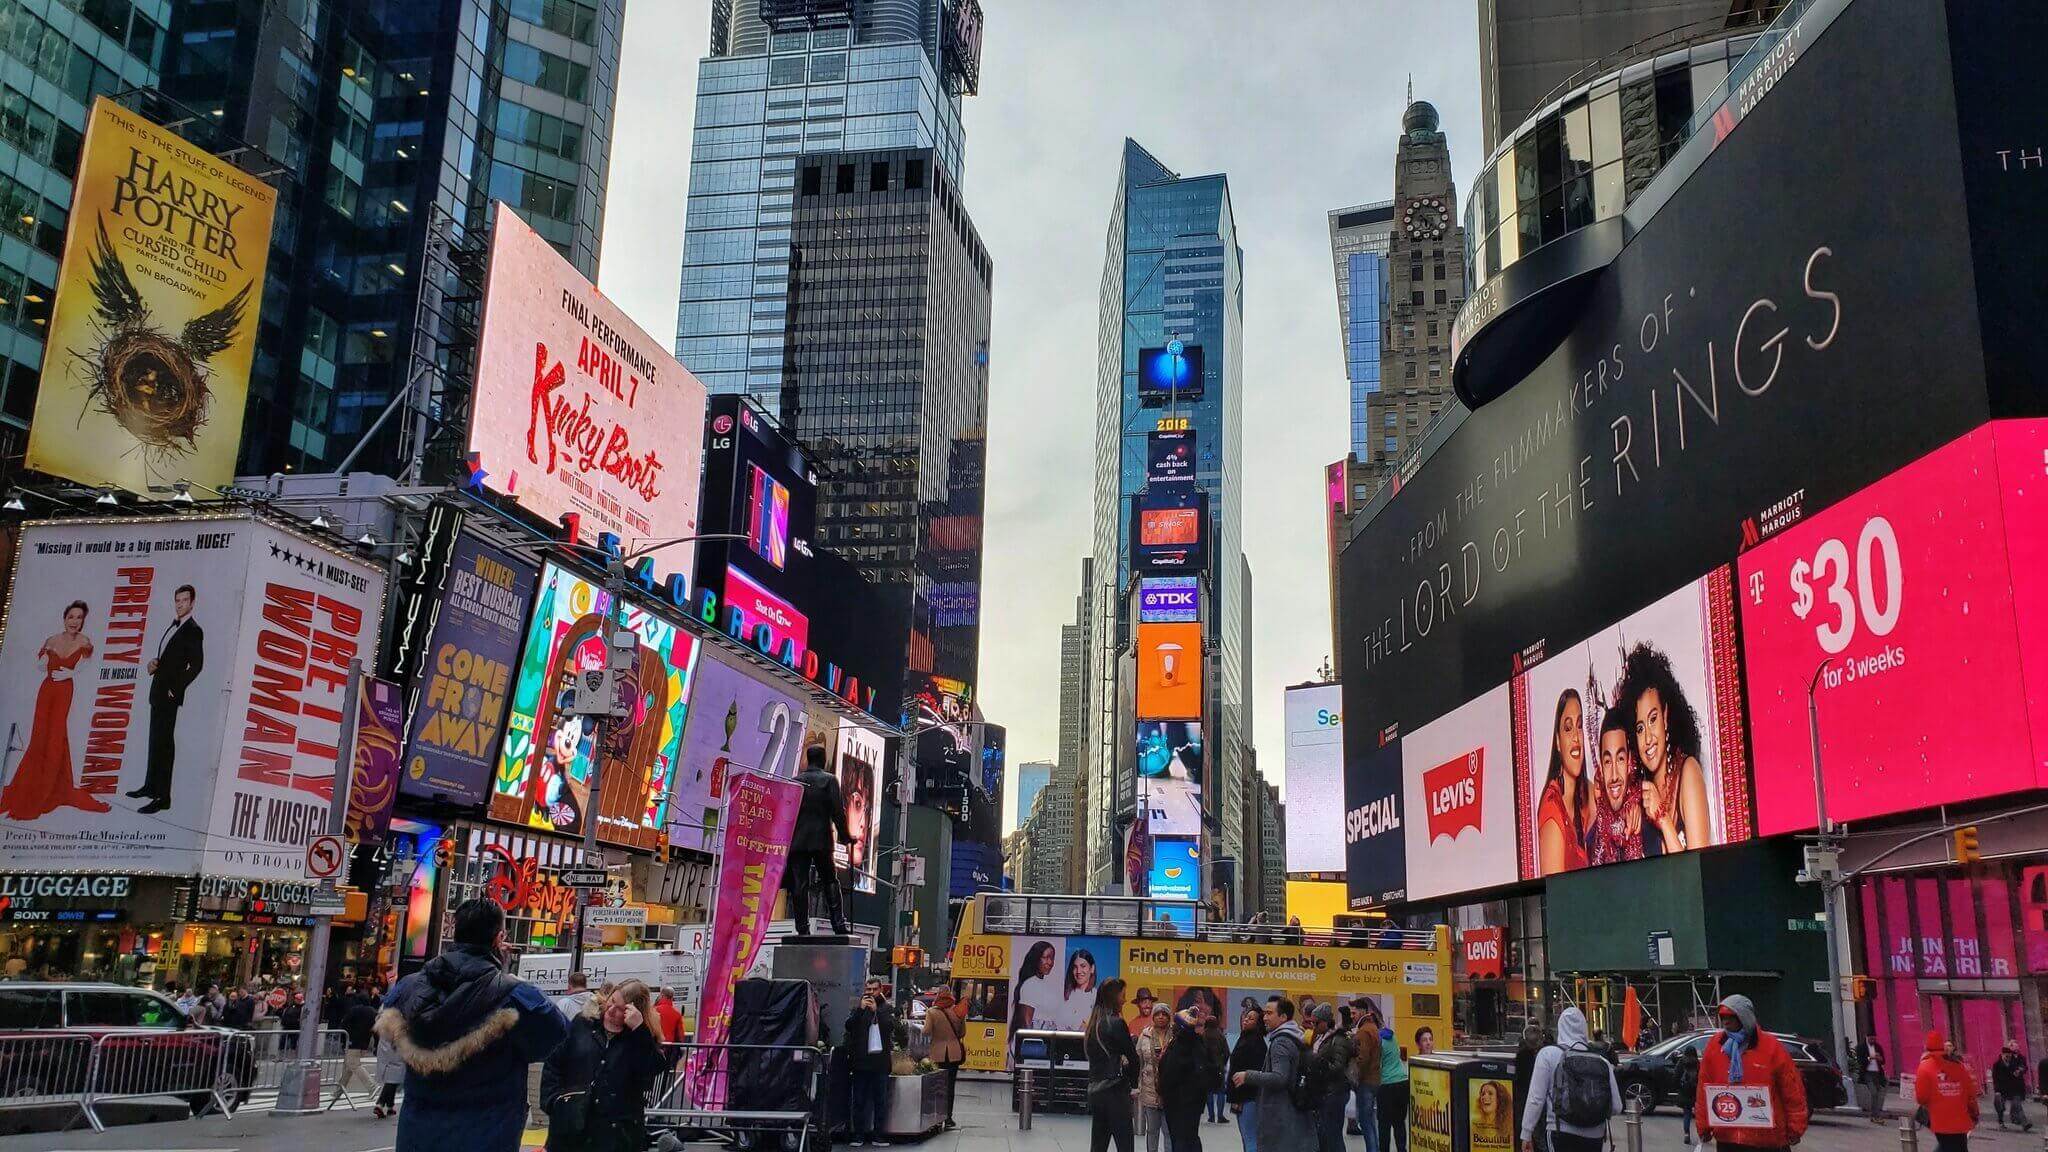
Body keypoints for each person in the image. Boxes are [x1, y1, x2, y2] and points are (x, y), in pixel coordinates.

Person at [374, 897, 571, 1152]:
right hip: (487, 1131)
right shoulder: (515, 995)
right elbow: (557, 1036)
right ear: (499, 939)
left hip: (418, 1132)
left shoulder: (409, 986)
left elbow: (388, 1031)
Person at [0, 601, 105, 819]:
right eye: (71, 617)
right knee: (40, 735)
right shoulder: (52, 640)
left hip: (64, 691)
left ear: (83, 621)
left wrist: (71, 674)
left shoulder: (85, 641)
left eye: (79, 618)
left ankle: (51, 788)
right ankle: (37, 784)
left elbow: (86, 663)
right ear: (64, 618)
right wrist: (45, 659)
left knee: (56, 734)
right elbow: (39, 664)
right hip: (46, 690)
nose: (74, 621)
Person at [540, 978, 665, 1152]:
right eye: (612, 1001)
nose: (612, 1010)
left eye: (621, 1009)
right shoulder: (583, 1023)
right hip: (571, 1125)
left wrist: (640, 1031)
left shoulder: (640, 1038)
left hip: (616, 1133)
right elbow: (554, 1062)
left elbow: (650, 1071)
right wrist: (552, 1101)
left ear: (634, 1012)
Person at [1619, 643, 1712, 853]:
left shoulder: (1688, 773)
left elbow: (1696, 871)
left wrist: (1662, 818)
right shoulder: (1641, 795)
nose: (1648, 738)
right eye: (1640, 728)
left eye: (1653, 719)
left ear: (1666, 716)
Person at [1691, 995, 1808, 1152]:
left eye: (1731, 1017)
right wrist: (1703, 1125)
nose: (1726, 1021)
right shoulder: (1714, 1047)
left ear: (1744, 1017)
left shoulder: (1771, 1047)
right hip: (1728, 1137)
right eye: (1722, 1017)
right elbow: (1704, 1088)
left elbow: (1792, 1090)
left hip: (1768, 1139)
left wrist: (1795, 1127)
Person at [134, 585, 203, 814]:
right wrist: (154, 663)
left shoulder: (193, 630)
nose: (181, 603)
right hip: (158, 692)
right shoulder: (174, 626)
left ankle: (163, 798)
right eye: (178, 600)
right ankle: (150, 786)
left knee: (164, 744)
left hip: (169, 695)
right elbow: (170, 658)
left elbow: (196, 665)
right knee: (155, 741)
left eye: (185, 600)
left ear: (192, 603)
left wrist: (176, 687)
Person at [1519, 1006, 1619, 1152]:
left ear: (1560, 1027)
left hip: (1560, 1131)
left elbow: (1536, 1098)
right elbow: (1616, 1106)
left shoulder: (1548, 1054)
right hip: (1595, 1136)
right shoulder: (1601, 1060)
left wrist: (1526, 1133)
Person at [1234, 996, 1317, 1152]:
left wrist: (1248, 1075)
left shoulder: (1281, 1042)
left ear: (1283, 1017)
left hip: (1281, 1115)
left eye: (1269, 1013)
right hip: (1292, 1114)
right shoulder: (1295, 1036)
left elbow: (1280, 1077)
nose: (1265, 1017)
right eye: (1265, 1013)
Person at [786, 742, 852, 935]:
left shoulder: (795, 781)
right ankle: (838, 924)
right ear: (823, 760)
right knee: (830, 880)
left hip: (798, 841)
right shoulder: (829, 780)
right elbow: (837, 812)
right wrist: (845, 837)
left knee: (800, 884)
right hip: (821, 840)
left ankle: (802, 928)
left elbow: (787, 813)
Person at [1535, 689, 1592, 875]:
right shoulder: (1552, 811)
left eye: (1580, 725)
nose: (1576, 737)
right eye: (1568, 728)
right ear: (1558, 742)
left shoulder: (1585, 792)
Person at [1085, 978, 1139, 1152]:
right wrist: (1134, 1085)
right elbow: (1133, 1057)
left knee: (1098, 1144)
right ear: (1115, 997)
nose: (1124, 1000)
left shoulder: (1093, 1025)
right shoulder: (1116, 1023)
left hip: (1096, 1091)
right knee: (1125, 1145)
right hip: (1115, 1091)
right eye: (1123, 995)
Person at [844, 976, 897, 1147]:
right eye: (868, 990)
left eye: (874, 989)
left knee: (879, 1100)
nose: (871, 993)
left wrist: (876, 1012)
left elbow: (890, 1027)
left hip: (879, 1063)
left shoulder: (886, 1008)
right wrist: (860, 1010)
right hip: (861, 1062)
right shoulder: (859, 1007)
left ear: (880, 990)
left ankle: (878, 1135)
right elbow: (849, 1026)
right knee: (858, 1099)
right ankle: (858, 1134)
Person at [1161, 1008, 1222, 1152]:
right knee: (1192, 1137)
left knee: (1180, 1139)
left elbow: (1169, 1074)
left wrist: (1164, 1092)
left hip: (1177, 1103)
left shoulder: (1178, 1046)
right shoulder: (1199, 1043)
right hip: (1195, 1102)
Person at [1918, 1031, 1979, 1152]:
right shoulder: (1959, 1066)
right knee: (1957, 1146)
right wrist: (1974, 1112)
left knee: (1949, 1145)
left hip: (1939, 1117)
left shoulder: (1924, 1067)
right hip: (1960, 1116)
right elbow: (1970, 1093)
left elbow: (1921, 1097)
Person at [1308, 1003, 1356, 1152]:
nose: (1313, 1026)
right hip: (1326, 1092)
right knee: (1325, 1133)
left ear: (1326, 1021)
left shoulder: (1338, 1040)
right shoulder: (1323, 1037)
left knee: (1333, 1135)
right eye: (1312, 1022)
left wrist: (1319, 1065)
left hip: (1334, 1093)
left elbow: (1337, 1066)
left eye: (1316, 1023)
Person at [1228, 1005, 1269, 1152]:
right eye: (1245, 1016)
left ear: (1258, 1023)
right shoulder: (1245, 1038)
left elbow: (1253, 1071)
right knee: (1246, 1137)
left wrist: (1239, 1097)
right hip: (1242, 1096)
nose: (1245, 1020)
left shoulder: (1256, 1043)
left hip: (1249, 1097)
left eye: (1251, 1018)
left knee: (1250, 1137)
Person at [927, 987, 967, 1129]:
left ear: (938, 996)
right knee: (950, 1086)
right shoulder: (957, 1011)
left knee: (937, 1086)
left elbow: (926, 1031)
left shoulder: (931, 1012)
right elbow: (962, 1032)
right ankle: (948, 1118)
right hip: (954, 1053)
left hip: (937, 1053)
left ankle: (937, 1117)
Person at [1136, 1003, 1172, 1152]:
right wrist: (1136, 1086)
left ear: (1169, 1017)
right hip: (1150, 1089)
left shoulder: (1176, 1036)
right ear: (1153, 1017)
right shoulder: (1144, 1035)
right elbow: (1138, 1062)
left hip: (1171, 1091)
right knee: (1152, 1130)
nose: (1161, 1017)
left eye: (1164, 1014)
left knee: (1169, 1131)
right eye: (1158, 1014)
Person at [1351, 1003, 1384, 1152]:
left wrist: (1354, 1078)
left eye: (1354, 1013)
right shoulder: (1374, 1028)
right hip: (1375, 1079)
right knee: (1370, 1121)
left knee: (1365, 1122)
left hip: (1365, 1082)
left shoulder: (1363, 1032)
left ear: (1362, 1012)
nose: (1352, 1016)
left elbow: (1362, 1059)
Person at [1511, 1026, 1546, 1152]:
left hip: (1524, 1101)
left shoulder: (1521, 1056)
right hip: (1541, 1103)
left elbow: (1518, 1079)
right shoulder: (1544, 1055)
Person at [1012, 941, 1060, 1030]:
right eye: (1045, 957)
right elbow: (1026, 1022)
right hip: (1038, 1040)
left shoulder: (1042, 983)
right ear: (1036, 958)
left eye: (1052, 958)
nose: (1050, 962)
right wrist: (1032, 1041)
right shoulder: (1030, 985)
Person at [1377, 1022, 1409, 1152]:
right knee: (1399, 1123)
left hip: (1386, 1084)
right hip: (1402, 1081)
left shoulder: (1377, 1040)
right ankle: (1402, 1149)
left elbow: (1377, 1065)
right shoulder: (1392, 1036)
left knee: (1384, 1125)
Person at [1995, 1040, 2033, 1131]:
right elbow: (1997, 1075)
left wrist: (2019, 1070)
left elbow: (2024, 1067)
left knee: (2017, 1104)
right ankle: (2002, 1121)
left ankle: (2024, 1123)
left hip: (2016, 1086)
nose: (2014, 1049)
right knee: (2000, 1106)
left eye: (2015, 1046)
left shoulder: (2020, 1058)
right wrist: (1997, 1090)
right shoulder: (2001, 1060)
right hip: (2003, 1087)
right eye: (2012, 1047)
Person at [1059, 949, 1102, 1030]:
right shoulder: (1063, 994)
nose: (1078, 971)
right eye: (1075, 967)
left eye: (1083, 966)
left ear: (1092, 968)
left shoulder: (1097, 997)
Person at [1853, 1035, 1889, 1124]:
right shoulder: (1861, 1047)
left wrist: (1879, 1058)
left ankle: (1875, 1114)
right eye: (1871, 1038)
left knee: (1877, 1093)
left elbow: (1883, 1060)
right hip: (1867, 1073)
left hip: (1877, 1073)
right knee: (1874, 1092)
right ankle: (1875, 1115)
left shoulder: (1878, 1047)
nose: (1872, 1040)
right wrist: (1871, 1057)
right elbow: (1860, 1061)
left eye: (1874, 1038)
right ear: (1867, 1037)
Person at [1203, 1009, 1231, 1124]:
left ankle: (1211, 1116)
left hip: (1207, 1069)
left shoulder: (1203, 1036)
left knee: (1208, 1092)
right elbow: (1227, 1052)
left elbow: (1201, 1052)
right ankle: (1220, 1116)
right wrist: (1222, 1063)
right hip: (1219, 1067)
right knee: (1220, 1092)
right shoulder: (1220, 1035)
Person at [374, 1021, 406, 1119]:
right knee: (394, 1078)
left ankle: (390, 1105)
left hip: (385, 1046)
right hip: (395, 1047)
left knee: (392, 1078)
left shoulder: (385, 1017)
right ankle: (381, 1103)